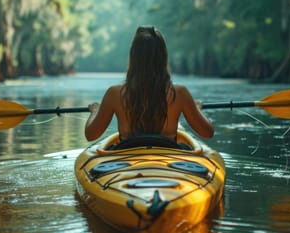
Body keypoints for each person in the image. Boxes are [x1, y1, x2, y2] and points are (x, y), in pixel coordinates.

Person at [84, 26, 214, 145]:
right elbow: (208, 132)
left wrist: (95, 111)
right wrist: (196, 109)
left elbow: (90, 135)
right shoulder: (180, 93)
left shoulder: (114, 94)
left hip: (128, 162)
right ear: (163, 57)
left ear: (133, 57)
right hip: (167, 161)